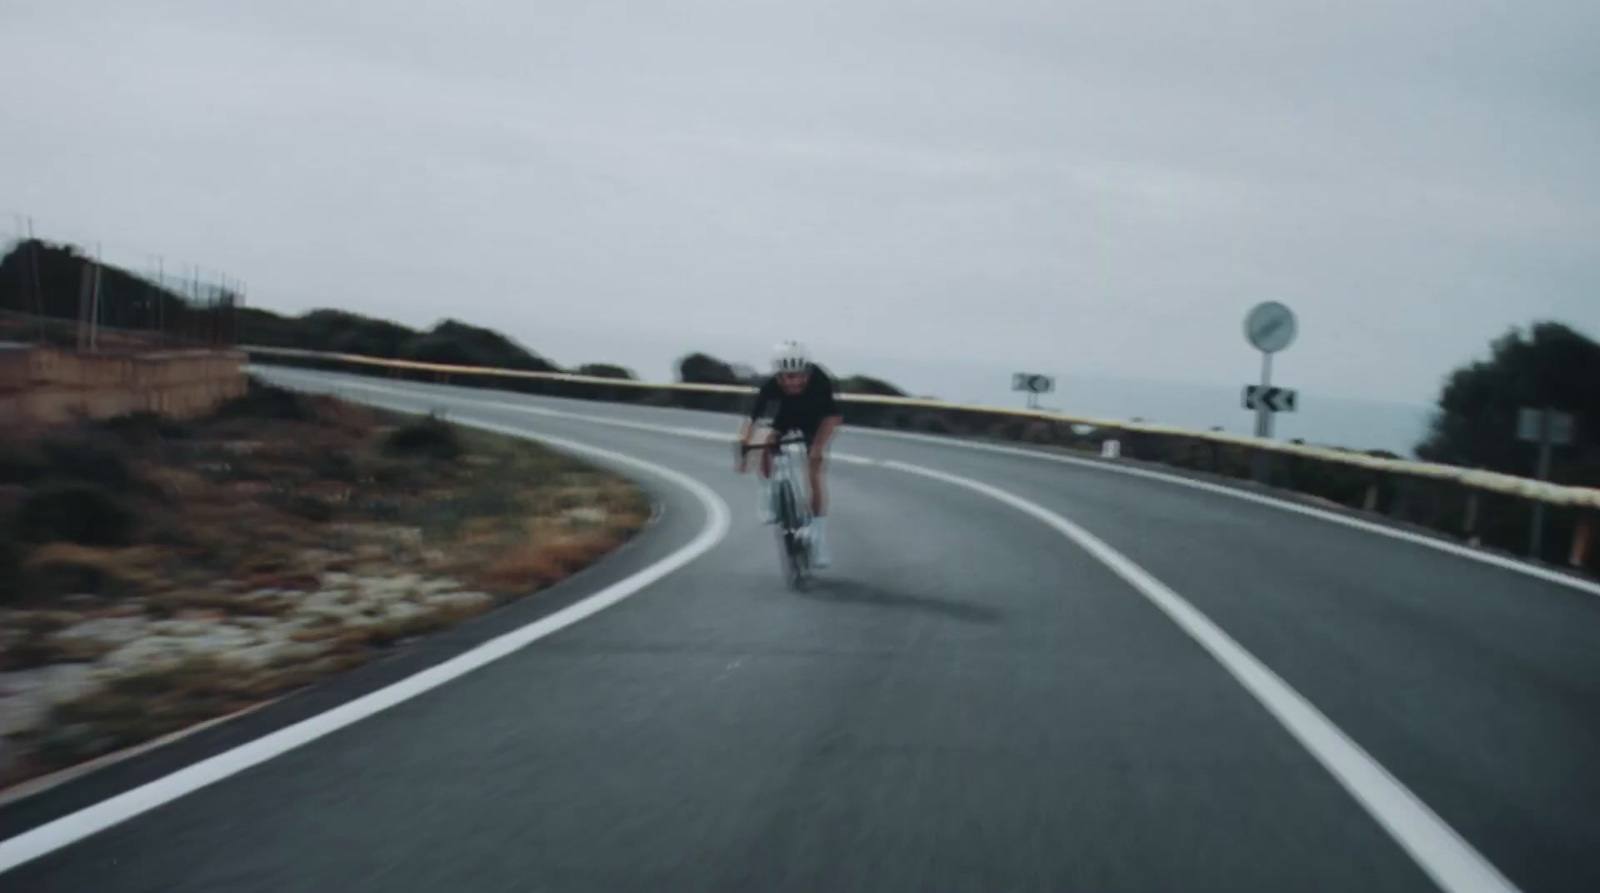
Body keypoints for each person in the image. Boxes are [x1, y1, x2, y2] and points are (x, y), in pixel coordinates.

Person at [736, 340, 843, 567]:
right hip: (783, 417)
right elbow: (750, 423)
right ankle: (767, 491)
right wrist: (745, 451)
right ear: (779, 376)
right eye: (790, 377)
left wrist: (817, 448)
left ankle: (818, 537)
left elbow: (832, 418)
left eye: (801, 376)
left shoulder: (820, 379)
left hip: (814, 420)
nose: (797, 382)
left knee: (814, 468)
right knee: (762, 440)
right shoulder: (769, 387)